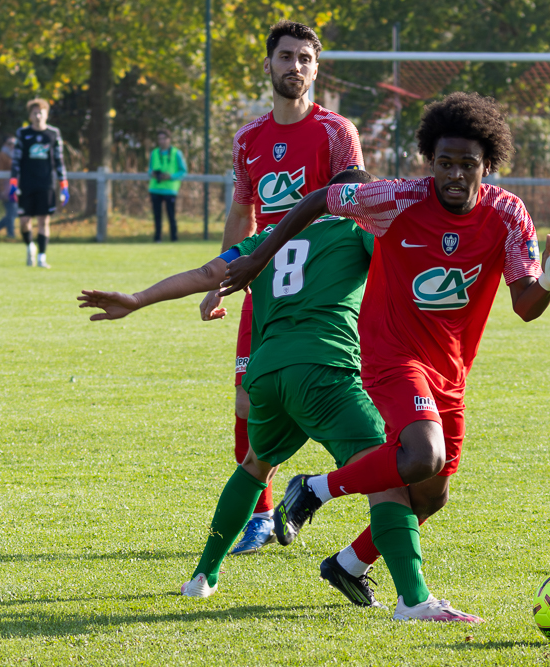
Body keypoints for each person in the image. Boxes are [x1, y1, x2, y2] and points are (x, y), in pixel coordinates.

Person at [219, 92, 550, 619]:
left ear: (489, 165)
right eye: (445, 163)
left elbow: (525, 306)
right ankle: (314, 489)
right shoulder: (396, 200)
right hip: (390, 353)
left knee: (431, 496)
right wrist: (255, 257)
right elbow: (320, 199)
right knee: (422, 454)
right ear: (429, 161)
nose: (456, 175)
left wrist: (547, 280)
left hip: (450, 368)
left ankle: (348, 563)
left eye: (468, 165)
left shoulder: (507, 213)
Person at [78, 169, 474, 622]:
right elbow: (409, 263)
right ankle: (414, 600)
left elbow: (209, 272)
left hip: (266, 372)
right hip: (324, 369)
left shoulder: (268, 237)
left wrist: (138, 298)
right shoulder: (358, 227)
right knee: (386, 475)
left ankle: (202, 577)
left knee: (255, 465)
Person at [198, 19, 364, 556]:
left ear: (315, 69)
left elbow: (355, 205)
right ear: (267, 64)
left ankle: (311, 492)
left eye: (305, 59)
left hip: (319, 293)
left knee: (322, 395)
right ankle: (262, 515)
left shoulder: (336, 132)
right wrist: (221, 282)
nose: (295, 66)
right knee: (248, 403)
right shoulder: (248, 138)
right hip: (264, 288)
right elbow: (242, 213)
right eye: (286, 57)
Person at [10, 98, 69, 269]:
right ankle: (30, 247)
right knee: (24, 221)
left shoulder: (53, 134)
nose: (38, 115)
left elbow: (59, 161)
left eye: (40, 112)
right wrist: (13, 182)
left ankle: (42, 257)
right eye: (34, 112)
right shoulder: (22, 133)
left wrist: (64, 185)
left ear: (47, 114)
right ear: (30, 115)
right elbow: (16, 160)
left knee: (44, 221)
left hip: (46, 184)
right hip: (26, 185)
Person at [148, 130, 187, 242]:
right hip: (155, 188)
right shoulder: (154, 153)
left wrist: (170, 176)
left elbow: (183, 171)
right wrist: (153, 173)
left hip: (170, 189)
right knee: (157, 216)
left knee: (171, 215)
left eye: (164, 138)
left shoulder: (176, 153)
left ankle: (174, 238)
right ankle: (157, 238)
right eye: (159, 139)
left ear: (169, 139)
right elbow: (149, 170)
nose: (162, 141)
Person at [0, 137, 18, 238]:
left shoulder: (16, 155)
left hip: (15, 187)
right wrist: (1, 190)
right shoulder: (1, 156)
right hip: (6, 188)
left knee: (15, 212)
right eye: (10, 143)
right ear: (5, 144)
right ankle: (11, 234)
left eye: (14, 143)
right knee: (12, 211)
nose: (12, 145)